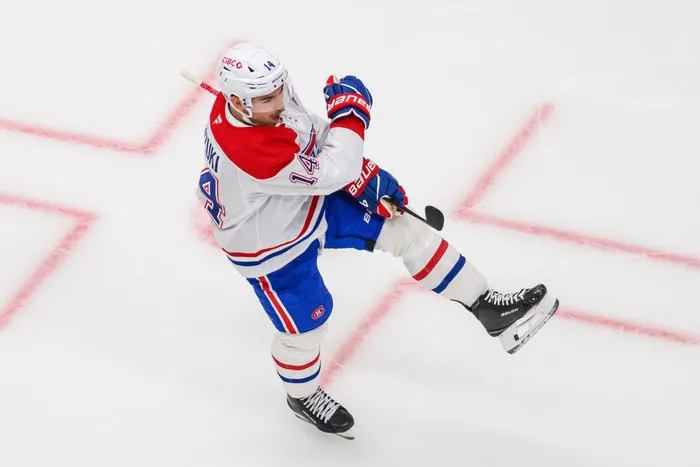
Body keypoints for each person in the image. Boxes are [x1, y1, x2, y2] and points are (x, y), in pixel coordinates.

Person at [195, 42, 559, 439]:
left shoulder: (257, 104)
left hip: (300, 205)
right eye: (267, 97)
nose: (280, 100)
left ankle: (487, 307)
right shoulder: (253, 152)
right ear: (237, 100)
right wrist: (351, 118)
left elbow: (306, 134)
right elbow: (335, 167)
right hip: (269, 245)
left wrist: (367, 175)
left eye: (280, 89)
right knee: (307, 329)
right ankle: (302, 395)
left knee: (405, 230)